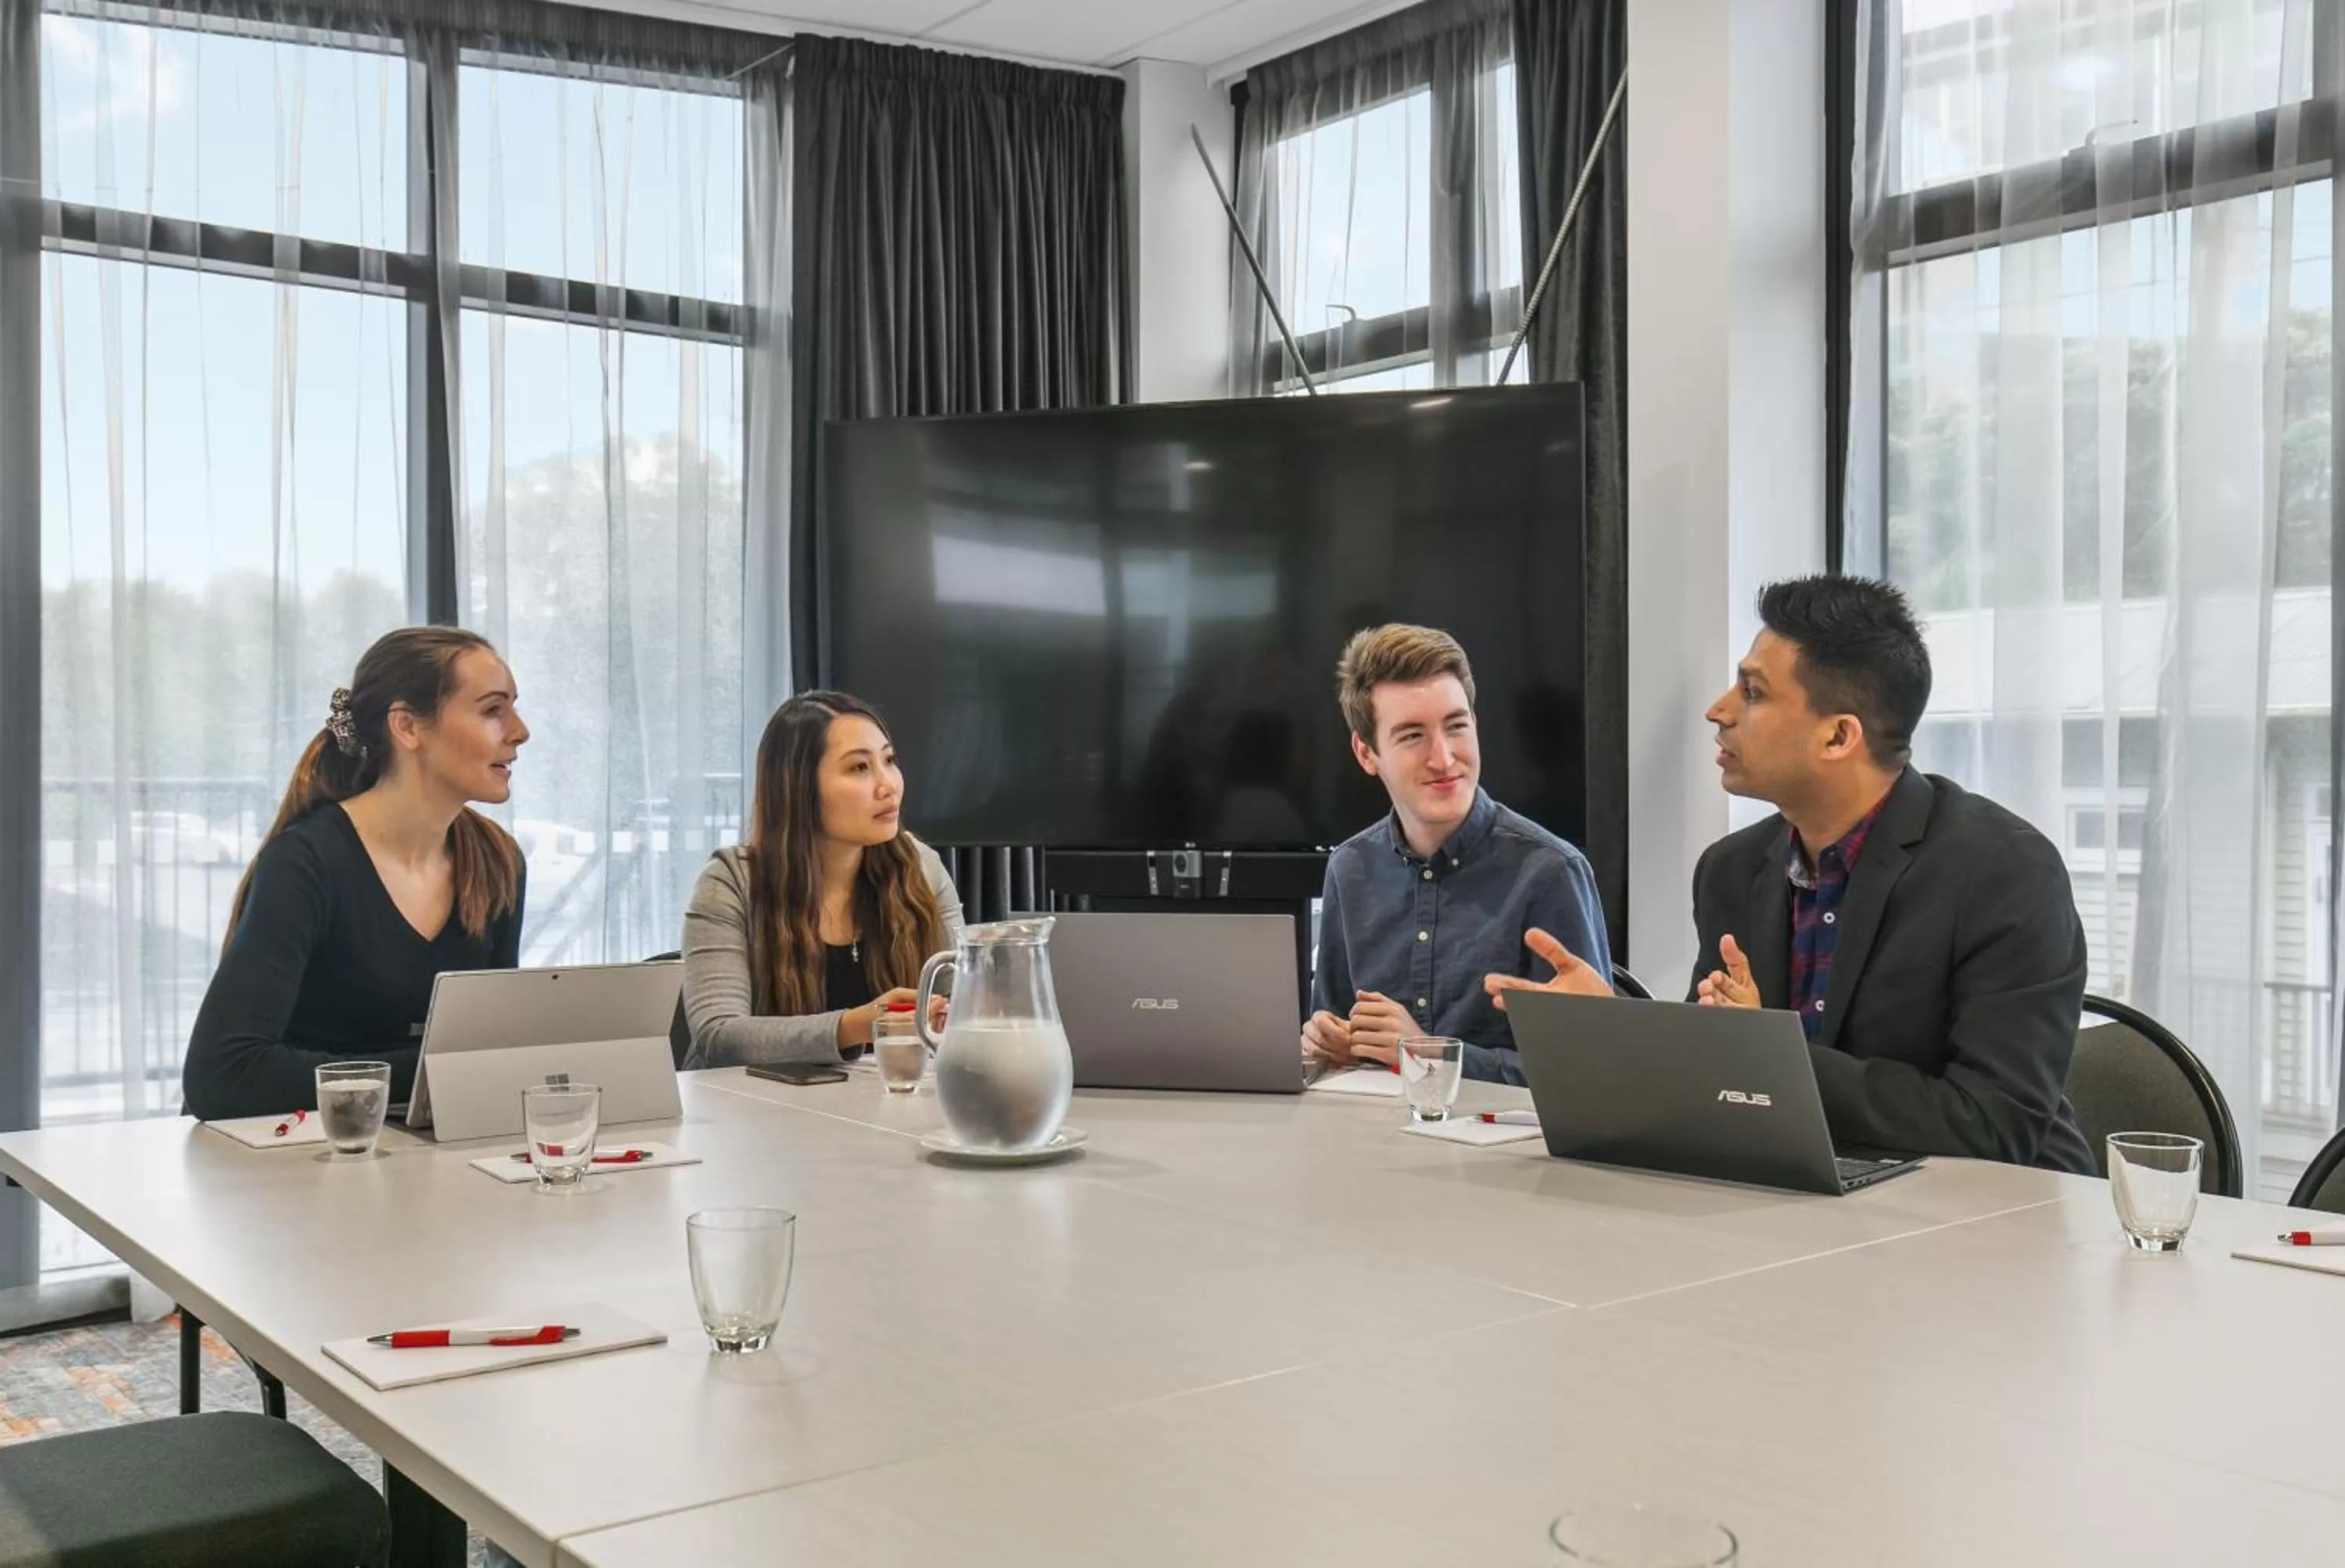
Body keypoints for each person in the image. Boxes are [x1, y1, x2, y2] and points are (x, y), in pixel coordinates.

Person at [1489, 575, 2097, 1174]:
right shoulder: (1731, 870)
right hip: (1803, 1202)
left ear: (1838, 736)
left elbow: (1994, 1123)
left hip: (1994, 1224)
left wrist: (1769, 1060)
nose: (1718, 710)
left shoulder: (2005, 872)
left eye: (1752, 693)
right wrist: (1615, 1030)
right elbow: (1711, 1080)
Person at [182, 628, 530, 1121]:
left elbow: (489, 1050)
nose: (520, 731)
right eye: (493, 710)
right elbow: (223, 1076)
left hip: (419, 1159)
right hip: (287, 1169)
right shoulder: (306, 861)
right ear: (407, 726)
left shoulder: (498, 860)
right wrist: (438, 1071)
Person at [1304, 625, 1610, 1085]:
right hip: (1368, 1139)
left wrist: (1429, 1056)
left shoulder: (1550, 872)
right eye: (1412, 736)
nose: (1445, 759)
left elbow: (1587, 1075)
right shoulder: (1349, 869)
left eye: (1456, 726)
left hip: (1512, 1151)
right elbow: (1333, 1029)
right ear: (1367, 753)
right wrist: (1329, 1041)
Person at [681, 691, 965, 1067]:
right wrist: (855, 1026)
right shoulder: (731, 882)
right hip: (753, 1115)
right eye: (860, 768)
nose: (889, 785)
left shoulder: (920, 868)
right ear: (798, 789)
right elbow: (720, 1036)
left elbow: (968, 1006)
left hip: (881, 1110)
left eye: (889, 760)